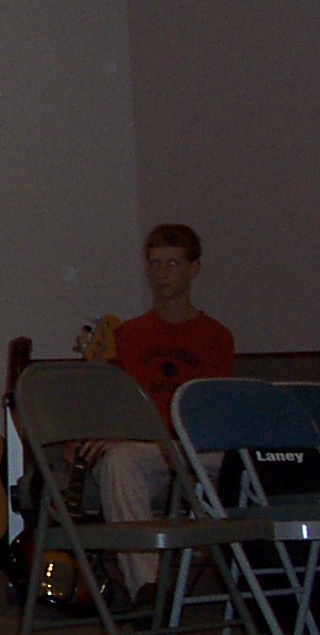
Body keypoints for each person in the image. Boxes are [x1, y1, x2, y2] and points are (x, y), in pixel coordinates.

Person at [74, 224, 233, 606]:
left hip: (197, 449)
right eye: (155, 263)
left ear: (193, 269)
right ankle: (148, 589)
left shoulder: (216, 336)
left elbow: (211, 415)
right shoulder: (127, 335)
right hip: (146, 452)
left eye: (173, 263)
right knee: (118, 462)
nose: (162, 273)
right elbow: (113, 401)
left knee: (248, 461)